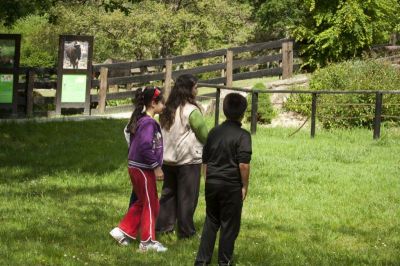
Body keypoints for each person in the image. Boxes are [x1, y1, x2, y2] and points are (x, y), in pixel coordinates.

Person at [194, 93, 252, 265]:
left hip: (212, 182)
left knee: (211, 221)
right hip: (231, 186)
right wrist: (244, 186)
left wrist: (207, 179)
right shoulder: (243, 136)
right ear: (243, 113)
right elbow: (244, 165)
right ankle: (224, 262)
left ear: (224, 110)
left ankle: (202, 261)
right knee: (229, 225)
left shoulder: (213, 132)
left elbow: (205, 161)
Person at [110, 86, 167, 252]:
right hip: (143, 169)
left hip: (136, 167)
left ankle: (122, 231)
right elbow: (144, 146)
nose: (164, 105)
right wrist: (156, 167)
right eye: (162, 102)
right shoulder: (148, 122)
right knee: (151, 204)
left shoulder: (141, 120)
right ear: (153, 103)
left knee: (144, 202)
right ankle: (147, 242)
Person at [156, 74, 208, 238]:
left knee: (168, 195)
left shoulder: (167, 109)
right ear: (188, 89)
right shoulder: (191, 110)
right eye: (195, 87)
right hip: (188, 160)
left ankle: (163, 227)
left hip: (168, 159)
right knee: (187, 197)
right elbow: (204, 135)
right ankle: (186, 231)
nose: (197, 90)